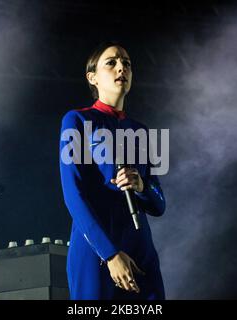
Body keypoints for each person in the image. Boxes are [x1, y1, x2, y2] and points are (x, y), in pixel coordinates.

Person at [59, 41, 166, 300]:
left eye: (127, 63)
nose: (122, 68)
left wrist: (141, 186)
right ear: (92, 77)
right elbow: (73, 194)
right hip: (97, 251)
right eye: (112, 62)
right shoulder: (77, 120)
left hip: (141, 252)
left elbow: (159, 205)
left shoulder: (141, 131)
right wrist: (109, 254)